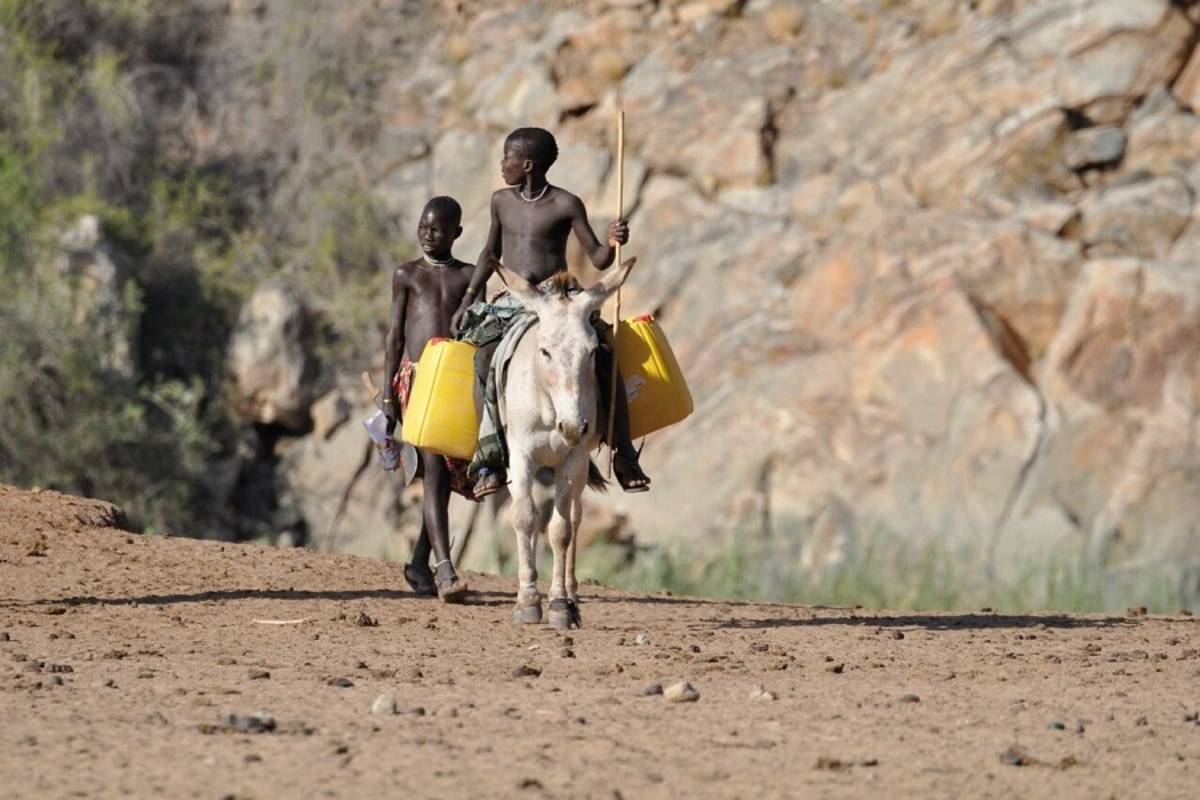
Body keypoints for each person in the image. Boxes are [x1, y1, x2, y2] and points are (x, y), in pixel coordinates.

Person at [450, 126, 651, 498]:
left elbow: (599, 257)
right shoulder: (500, 201)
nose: (501, 164)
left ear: (526, 164)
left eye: (506, 158)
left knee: (604, 355)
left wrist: (612, 240)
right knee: (483, 360)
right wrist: (469, 298)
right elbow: (489, 255)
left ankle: (624, 454)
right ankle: (490, 458)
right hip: (514, 298)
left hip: (558, 298)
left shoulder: (565, 203)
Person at [382, 196, 475, 602]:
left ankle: (419, 562)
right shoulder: (407, 274)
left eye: (437, 229)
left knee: (448, 477)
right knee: (434, 467)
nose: (428, 234)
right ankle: (446, 570)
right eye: (423, 226)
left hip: (453, 382)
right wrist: (387, 397)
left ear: (456, 233)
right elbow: (394, 338)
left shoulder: (470, 277)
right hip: (416, 381)